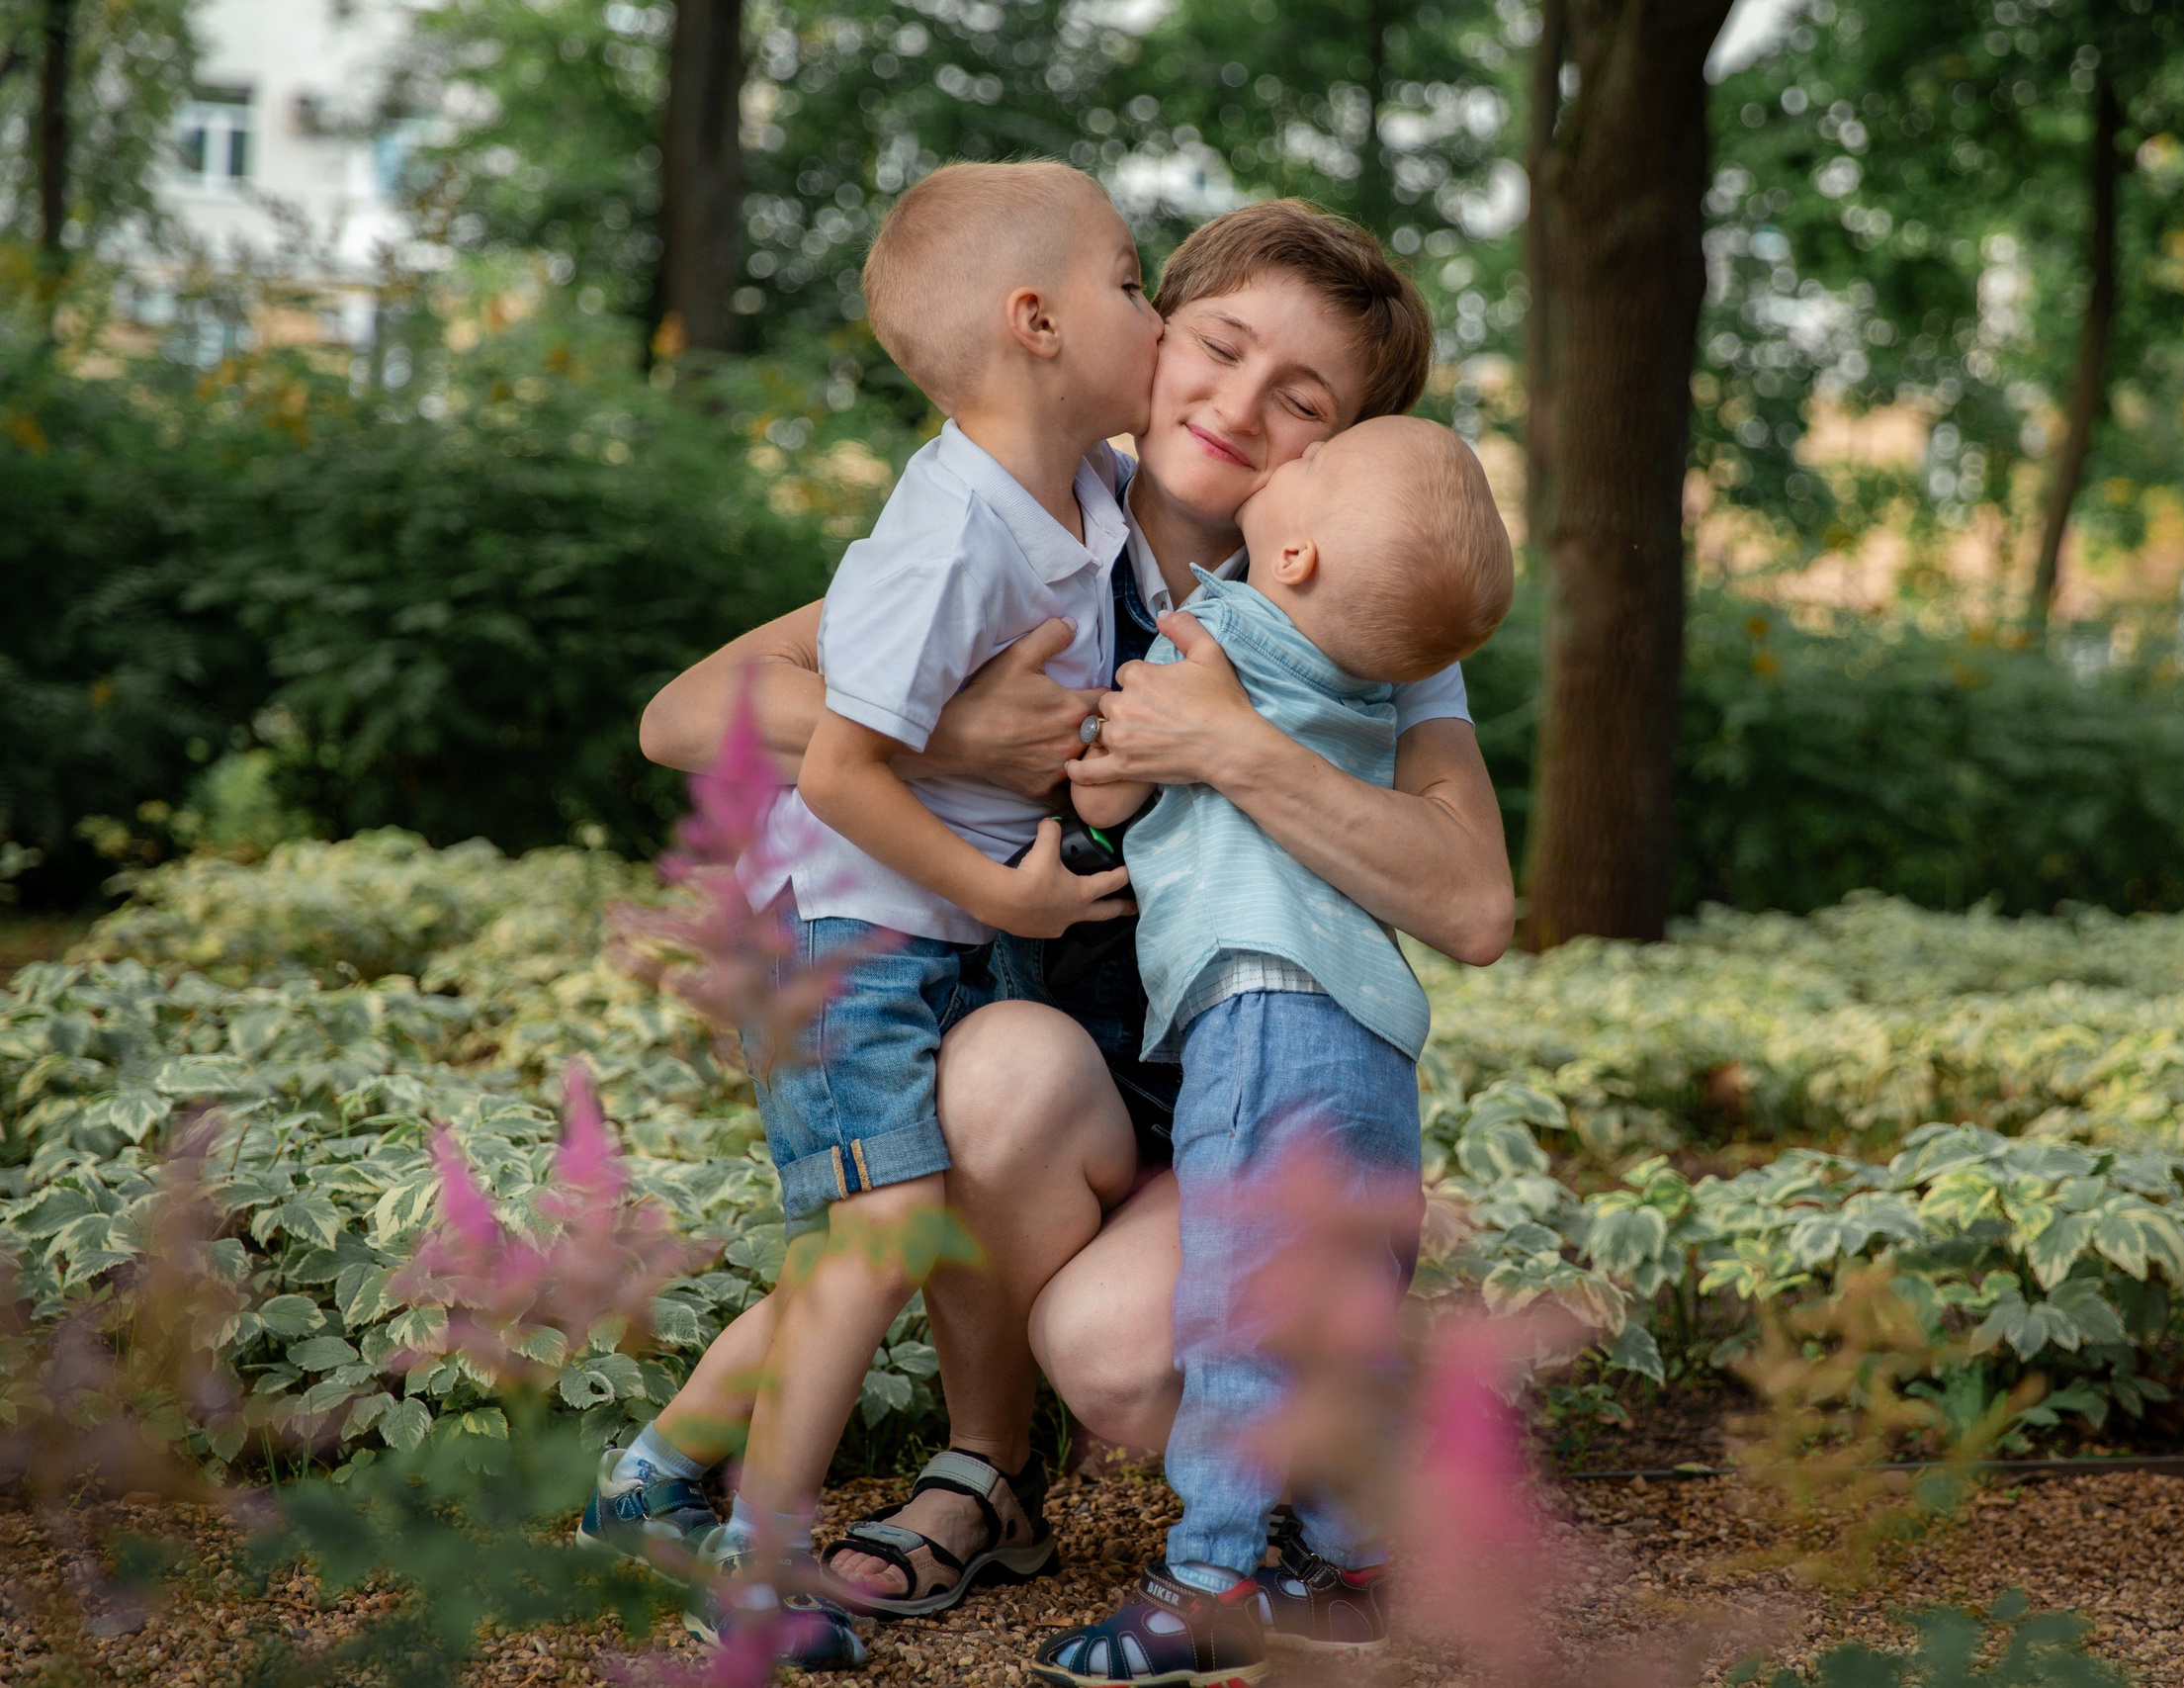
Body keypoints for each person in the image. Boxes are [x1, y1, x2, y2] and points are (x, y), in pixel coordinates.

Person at [615, 200, 1517, 1657]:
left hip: (1249, 1088)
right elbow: (682, 715)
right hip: (1076, 1074)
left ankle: (1344, 1450)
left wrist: (1231, 746)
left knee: (1116, 1357)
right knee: (993, 1064)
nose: (1239, 406)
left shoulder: (1365, 605)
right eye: (1220, 347)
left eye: (1306, 401)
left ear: (1340, 453)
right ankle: (988, 1466)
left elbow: (1474, 902)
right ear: (1155, 334)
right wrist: (952, 729)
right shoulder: (1028, 516)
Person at [585, 157, 1161, 1669]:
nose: (1153, 311)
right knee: (883, 1232)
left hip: (937, 929)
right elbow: (839, 769)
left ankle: (655, 1471)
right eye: (1134, 281)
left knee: (893, 1229)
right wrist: (1002, 888)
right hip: (857, 928)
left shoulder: (1084, 491)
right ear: (1036, 321)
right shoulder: (948, 525)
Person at [1030, 416, 1514, 1686]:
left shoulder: (1223, 632)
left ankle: (1212, 1578)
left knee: (1238, 1310)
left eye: (1305, 459)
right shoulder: (1371, 691)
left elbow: (1104, 787)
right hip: (1367, 1043)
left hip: (1258, 1015)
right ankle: (1352, 1573)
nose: (1278, 450)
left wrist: (1092, 766)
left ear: (1288, 552)